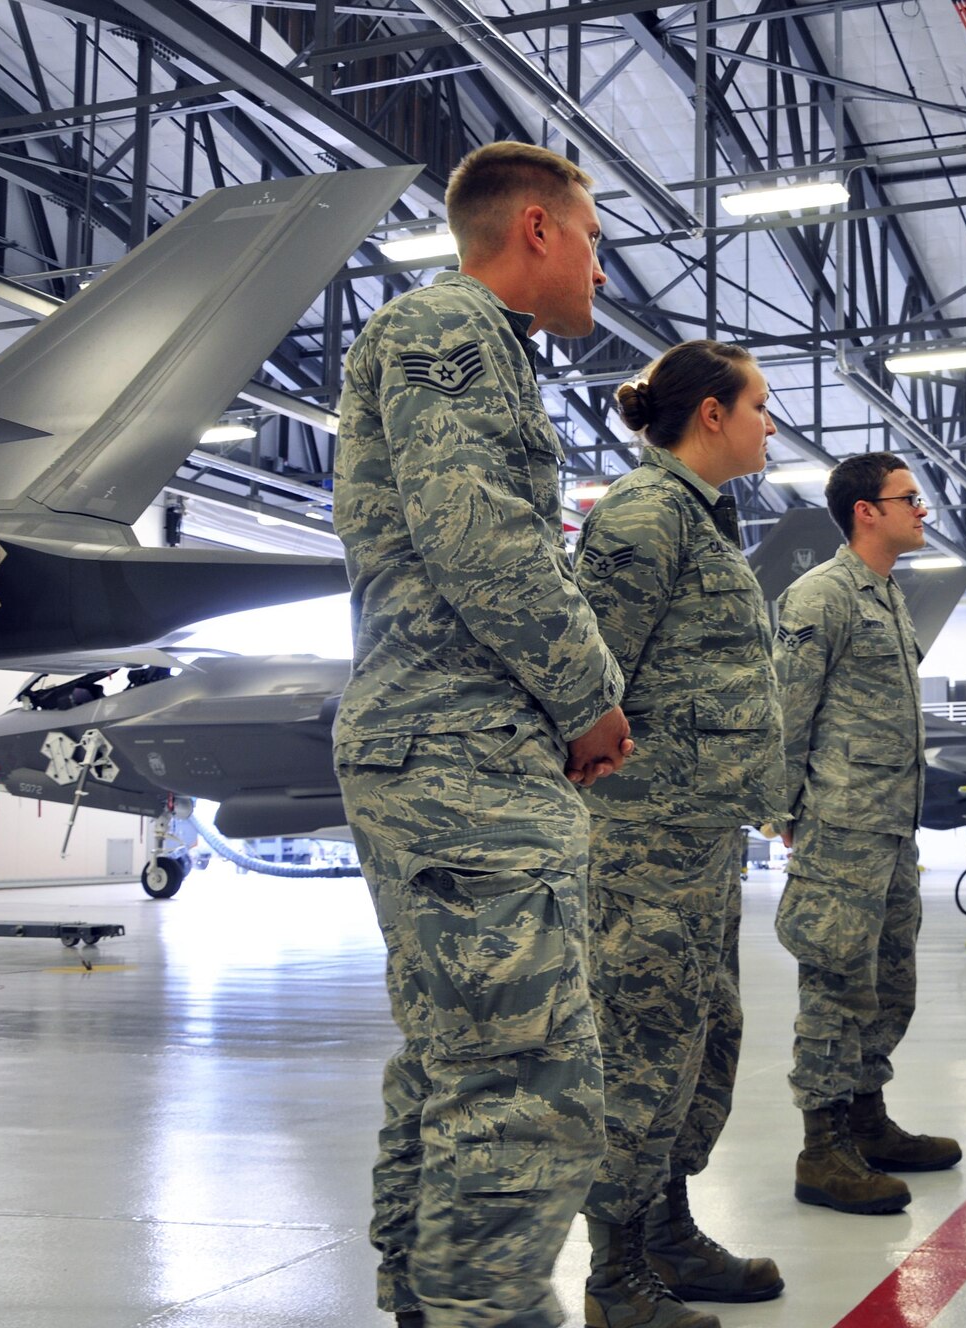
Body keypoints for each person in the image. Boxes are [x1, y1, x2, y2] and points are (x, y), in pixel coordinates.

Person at [333, 141, 634, 1328]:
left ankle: (430, 1302)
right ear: (538, 230)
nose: (602, 271)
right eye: (597, 240)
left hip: (447, 744)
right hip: (460, 751)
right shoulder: (446, 336)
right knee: (527, 1082)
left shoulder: (461, 345)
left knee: (458, 1064)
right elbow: (480, 539)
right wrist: (587, 693)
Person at [571, 341, 785, 1328]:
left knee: (703, 1041)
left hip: (698, 832)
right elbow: (585, 681)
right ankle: (614, 1274)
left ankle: (665, 1228)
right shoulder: (643, 518)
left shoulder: (702, 520)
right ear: (710, 414)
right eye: (760, 405)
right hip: (640, 836)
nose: (769, 423)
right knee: (644, 1044)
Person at [771, 452, 959, 1216]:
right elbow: (790, 710)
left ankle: (866, 1121)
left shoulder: (888, 597)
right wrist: (783, 810)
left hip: (890, 828)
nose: (921, 510)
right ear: (865, 512)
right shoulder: (822, 596)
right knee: (834, 987)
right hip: (842, 825)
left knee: (887, 987)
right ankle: (823, 1148)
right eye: (908, 498)